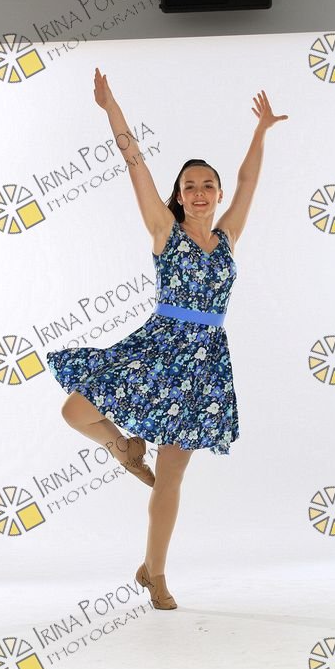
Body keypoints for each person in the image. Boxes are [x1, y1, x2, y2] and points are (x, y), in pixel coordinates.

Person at [47, 68, 287, 610]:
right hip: (159, 347)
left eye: (208, 186)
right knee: (75, 409)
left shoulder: (228, 236)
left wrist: (261, 131)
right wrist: (112, 109)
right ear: (178, 195)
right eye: (189, 186)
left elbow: (249, 182)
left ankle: (154, 573)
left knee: (171, 477)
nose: (199, 193)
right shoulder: (164, 231)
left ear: (218, 194)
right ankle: (124, 447)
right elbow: (134, 162)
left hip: (204, 364)